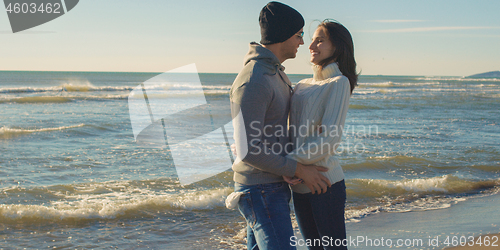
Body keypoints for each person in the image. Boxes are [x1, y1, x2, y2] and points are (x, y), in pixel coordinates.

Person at [229, 2, 332, 250]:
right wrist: (299, 169)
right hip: (260, 189)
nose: (302, 42)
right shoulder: (254, 79)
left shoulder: (275, 73)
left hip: (270, 184)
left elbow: (270, 130)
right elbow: (247, 149)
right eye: (299, 35)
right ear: (283, 35)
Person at [284, 20, 358, 250]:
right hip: (299, 185)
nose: (311, 45)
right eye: (311, 39)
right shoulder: (301, 85)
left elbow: (328, 140)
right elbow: (290, 131)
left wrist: (289, 165)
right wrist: (290, 168)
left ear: (337, 46)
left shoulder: (339, 83)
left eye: (320, 40)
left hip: (326, 184)